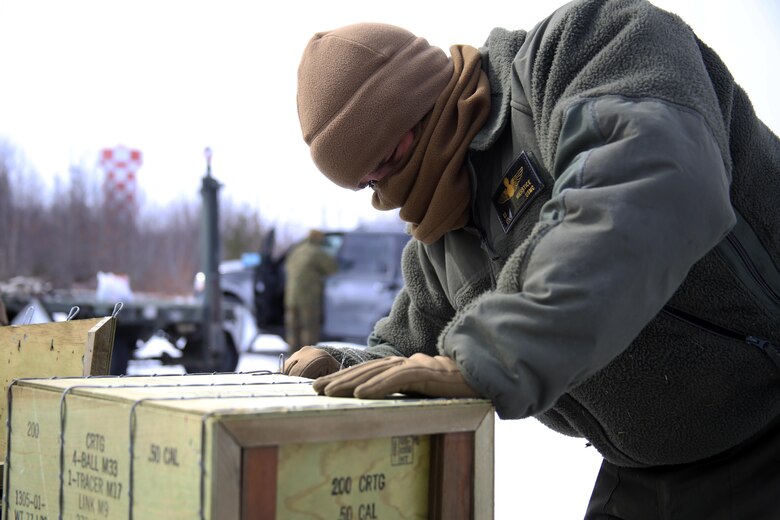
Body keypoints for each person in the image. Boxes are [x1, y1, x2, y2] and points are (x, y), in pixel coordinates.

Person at [284, 1, 780, 517]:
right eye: (367, 184)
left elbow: (643, 190)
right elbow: (410, 350)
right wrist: (339, 367)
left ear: (414, 99)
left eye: (385, 161)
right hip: (647, 469)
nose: (387, 195)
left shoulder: (587, 47)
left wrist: (494, 355)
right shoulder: (442, 236)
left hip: (766, 425)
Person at [283, 229, 338, 352]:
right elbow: (332, 268)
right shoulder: (316, 252)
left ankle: (292, 358)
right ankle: (307, 358)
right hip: (308, 298)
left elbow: (287, 267)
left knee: (293, 330)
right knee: (309, 329)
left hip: (291, 297)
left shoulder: (296, 251)